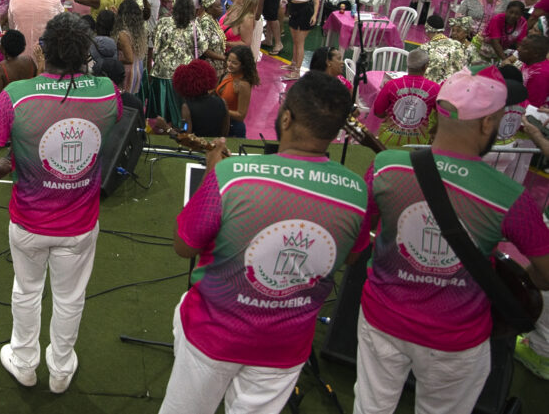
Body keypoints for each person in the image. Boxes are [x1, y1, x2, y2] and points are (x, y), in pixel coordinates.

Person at [158, 72, 368, 414]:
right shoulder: (357, 192)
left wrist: (213, 174)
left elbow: (185, 246)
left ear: (286, 117)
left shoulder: (232, 176)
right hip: (285, 346)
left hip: (214, 332)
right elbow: (354, 257)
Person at [353, 67, 549, 414]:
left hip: (382, 319)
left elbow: (355, 235)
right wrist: (519, 280)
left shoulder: (386, 166)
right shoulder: (509, 196)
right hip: (457, 338)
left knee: (371, 406)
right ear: (488, 124)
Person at [0, 12, 121, 395]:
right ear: (84, 52)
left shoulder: (16, 96)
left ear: (42, 49)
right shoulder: (107, 90)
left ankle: (24, 361)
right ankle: (60, 367)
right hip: (80, 223)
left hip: (29, 219)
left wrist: (4, 168)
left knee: (26, 290)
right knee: (70, 298)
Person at [371, 48, 441, 148]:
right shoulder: (435, 88)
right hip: (418, 144)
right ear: (426, 66)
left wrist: (391, 117)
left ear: (407, 64)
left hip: (388, 140)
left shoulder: (391, 85)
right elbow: (442, 115)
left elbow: (378, 111)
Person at [284, 0, 320, 76]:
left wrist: (315, 15)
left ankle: (297, 71)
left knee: (300, 43)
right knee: (295, 41)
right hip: (293, 9)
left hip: (304, 11)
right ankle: (293, 64)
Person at [174, 59, 228, 137]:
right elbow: (225, 132)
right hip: (217, 145)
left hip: (197, 147)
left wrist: (168, 129)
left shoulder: (187, 107)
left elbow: (186, 136)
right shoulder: (222, 102)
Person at [0, 29, 37, 106]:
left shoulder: (0, 68)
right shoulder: (29, 60)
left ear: (5, 50)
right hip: (26, 105)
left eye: (1, 44)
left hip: (9, 108)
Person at [216, 45, 259, 138]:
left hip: (233, 128)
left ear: (243, 65)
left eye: (234, 63)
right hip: (221, 123)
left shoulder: (243, 85)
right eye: (228, 60)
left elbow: (241, 115)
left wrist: (218, 109)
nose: (229, 64)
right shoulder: (227, 74)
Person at [420, 15, 469, 83]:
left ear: (427, 30)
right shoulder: (458, 44)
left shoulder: (425, 48)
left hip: (431, 87)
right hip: (453, 86)